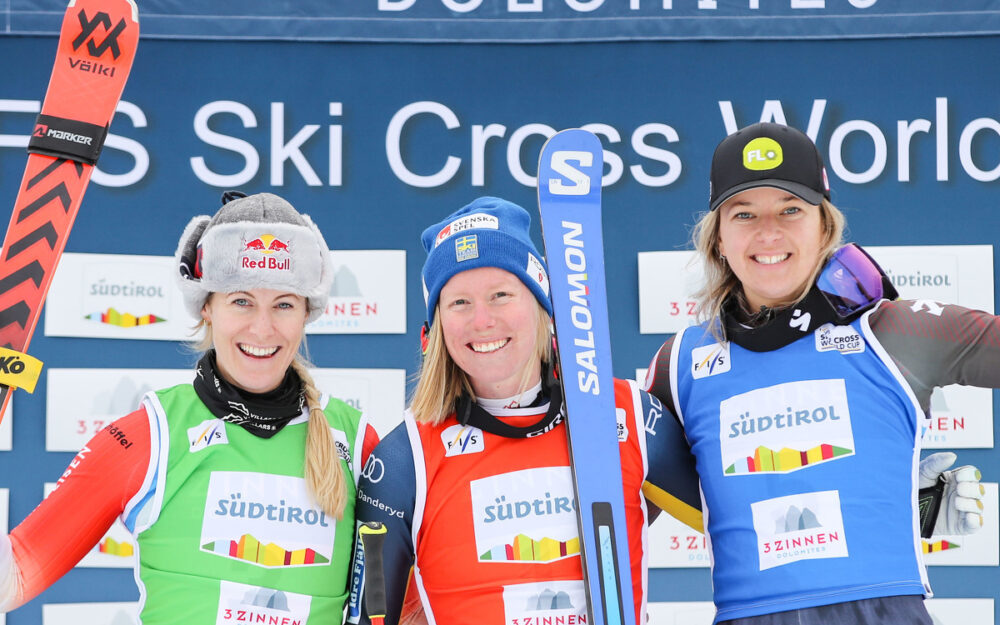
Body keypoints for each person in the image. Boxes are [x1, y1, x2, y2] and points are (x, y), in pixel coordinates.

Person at [642, 122, 989, 624]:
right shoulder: (678, 365)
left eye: (790, 209)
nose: (769, 232)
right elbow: (627, 512)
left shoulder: (894, 330)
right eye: (744, 214)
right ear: (718, 237)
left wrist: (897, 504)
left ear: (824, 227)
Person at [0, 191, 378, 623]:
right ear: (206, 307)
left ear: (306, 313)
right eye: (241, 300)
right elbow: (13, 579)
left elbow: (402, 601)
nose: (263, 327)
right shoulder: (150, 436)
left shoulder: (355, 442)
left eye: (284, 304)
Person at [349, 197, 704, 625]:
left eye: (501, 294)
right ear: (436, 328)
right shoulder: (405, 460)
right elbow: (371, 609)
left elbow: (737, 516)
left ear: (542, 307)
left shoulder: (625, 417)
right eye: (459, 302)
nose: (482, 320)